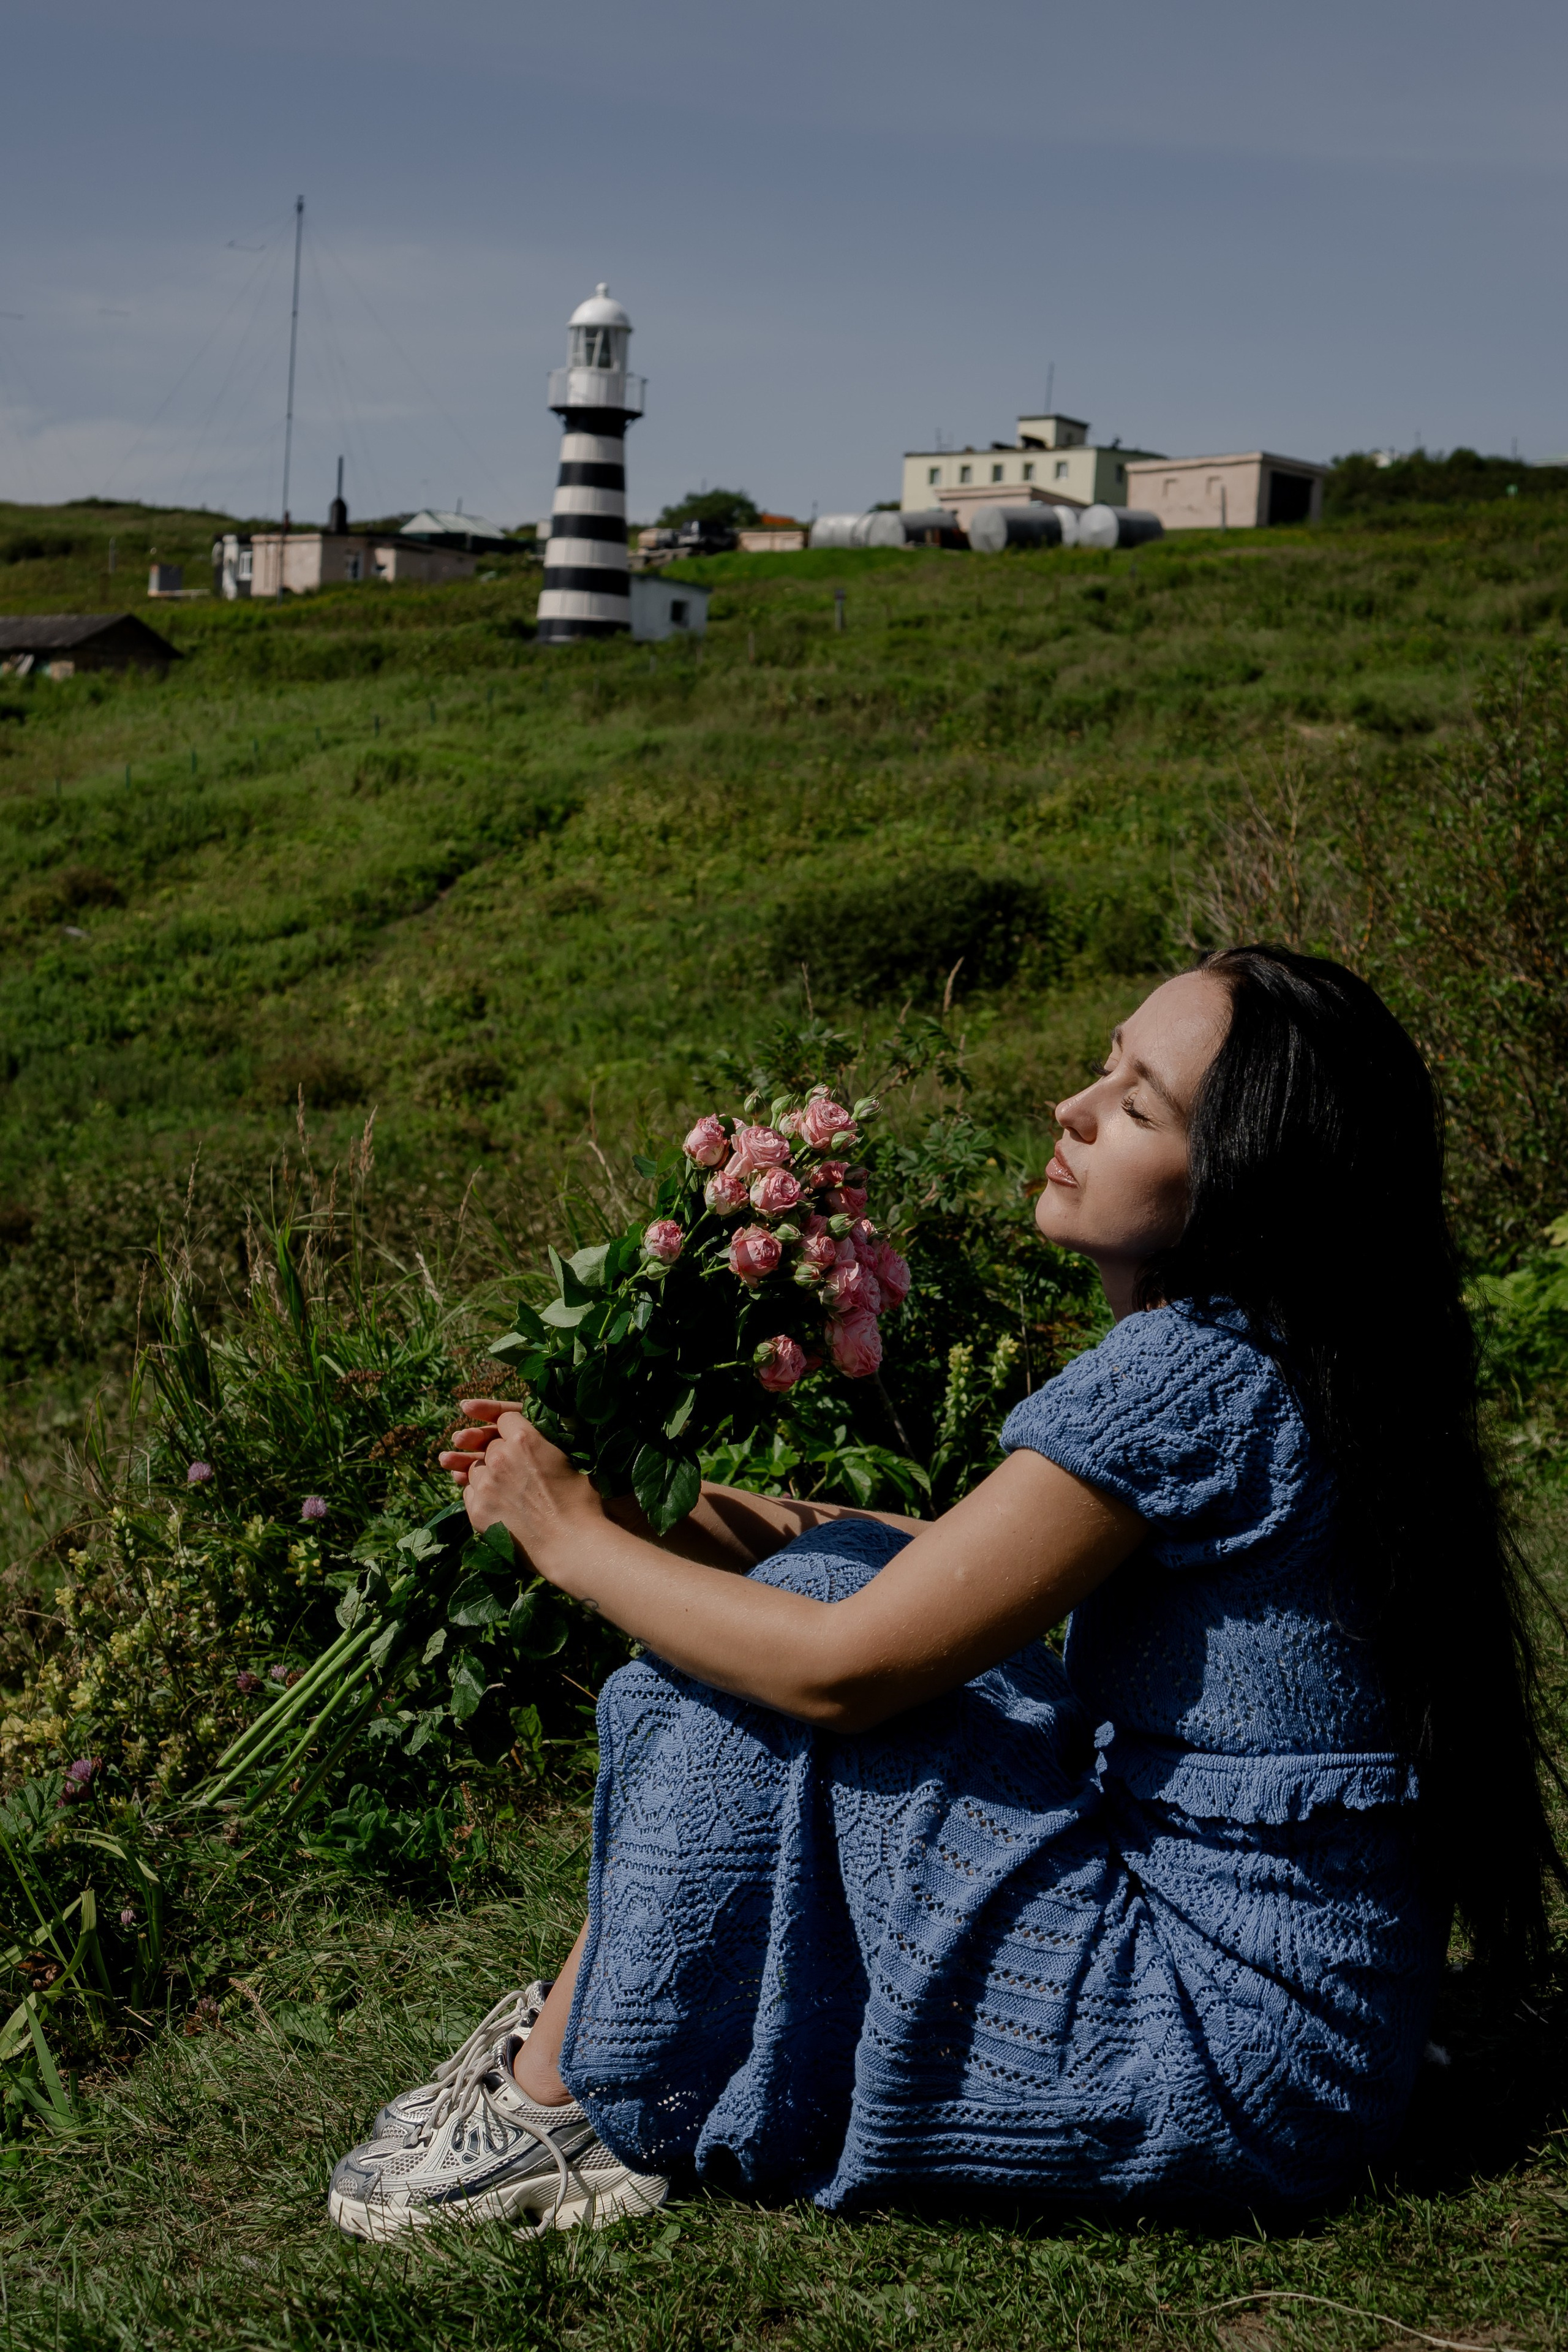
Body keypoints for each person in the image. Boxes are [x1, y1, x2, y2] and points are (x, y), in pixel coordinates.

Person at [328, 946, 1562, 2241]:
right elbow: (968, 1551)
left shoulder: (1184, 1379)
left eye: (1137, 1107)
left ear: (1239, 1184)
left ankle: (568, 2108)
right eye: (1102, 1065)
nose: (1070, 1110)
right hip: (1321, 2037)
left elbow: (842, 1669)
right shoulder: (1295, 1347)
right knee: (824, 1570)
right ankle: (595, 2051)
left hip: (1211, 2065)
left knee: (774, 1658)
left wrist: (568, 1538)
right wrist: (678, 1517)